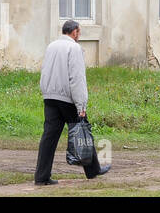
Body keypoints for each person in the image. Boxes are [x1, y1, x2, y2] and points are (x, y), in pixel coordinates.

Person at [33, 19, 109, 185]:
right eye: (79, 32)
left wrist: (46, 92)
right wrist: (81, 104)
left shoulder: (51, 46)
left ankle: (41, 177)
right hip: (68, 99)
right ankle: (93, 170)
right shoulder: (74, 48)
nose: (79, 35)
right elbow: (77, 78)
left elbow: (44, 71)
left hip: (50, 97)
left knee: (49, 137)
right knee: (83, 132)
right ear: (74, 32)